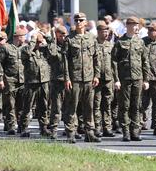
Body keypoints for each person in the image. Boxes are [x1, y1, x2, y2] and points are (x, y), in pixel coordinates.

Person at [63, 12, 101, 143]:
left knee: (89, 107)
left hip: (89, 78)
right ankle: (71, 133)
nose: (78, 22)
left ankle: (89, 133)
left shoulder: (91, 38)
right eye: (76, 20)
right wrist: (67, 78)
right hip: (75, 78)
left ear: (86, 22)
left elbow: (97, 58)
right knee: (72, 106)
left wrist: (97, 75)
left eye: (81, 20)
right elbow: (65, 61)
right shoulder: (69, 39)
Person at [111, 16, 149, 142]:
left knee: (137, 106)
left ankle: (135, 131)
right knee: (125, 106)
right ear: (127, 26)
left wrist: (146, 79)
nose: (135, 27)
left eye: (136, 25)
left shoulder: (140, 42)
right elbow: (114, 62)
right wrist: (116, 80)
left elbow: (145, 61)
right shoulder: (120, 42)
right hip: (124, 79)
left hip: (138, 78)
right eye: (132, 25)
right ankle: (126, 132)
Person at [20, 31, 54, 138]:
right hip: (31, 83)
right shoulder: (25, 50)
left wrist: (47, 37)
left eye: (40, 42)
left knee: (43, 106)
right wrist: (33, 39)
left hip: (43, 82)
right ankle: (23, 128)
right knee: (27, 106)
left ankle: (43, 127)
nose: (39, 45)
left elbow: (53, 49)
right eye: (37, 43)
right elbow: (28, 51)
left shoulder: (44, 51)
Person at [0, 29, 26, 135]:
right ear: (17, 37)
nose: (24, 38)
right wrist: (0, 79)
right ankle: (11, 126)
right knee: (10, 104)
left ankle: (22, 126)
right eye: (23, 36)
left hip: (23, 80)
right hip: (10, 80)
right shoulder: (6, 48)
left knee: (22, 105)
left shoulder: (25, 48)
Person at [93, 23, 117, 138]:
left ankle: (107, 127)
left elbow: (114, 64)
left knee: (107, 104)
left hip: (108, 78)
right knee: (96, 104)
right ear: (98, 32)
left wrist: (116, 79)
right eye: (103, 31)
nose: (106, 34)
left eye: (107, 32)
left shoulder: (110, 46)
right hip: (97, 79)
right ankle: (97, 128)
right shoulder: (93, 44)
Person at [141, 22, 156, 136]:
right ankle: (141, 123)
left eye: (151, 30)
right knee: (143, 102)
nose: (149, 32)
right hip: (145, 77)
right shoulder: (143, 41)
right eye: (148, 30)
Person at [49, 25, 68, 139]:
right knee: (56, 107)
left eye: (65, 35)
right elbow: (53, 54)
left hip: (68, 80)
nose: (63, 37)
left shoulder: (68, 45)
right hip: (57, 80)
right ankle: (54, 130)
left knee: (69, 107)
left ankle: (69, 129)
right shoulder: (53, 46)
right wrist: (53, 40)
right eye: (61, 35)